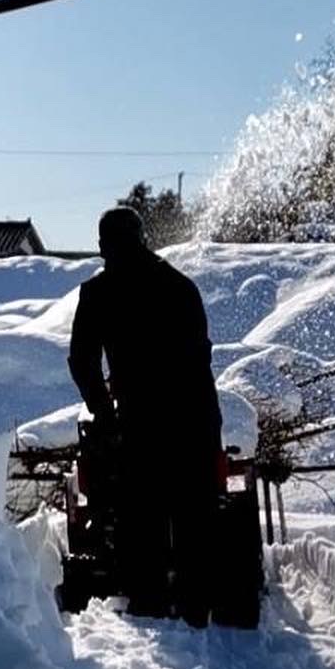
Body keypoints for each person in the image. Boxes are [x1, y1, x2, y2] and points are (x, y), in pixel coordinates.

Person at [67, 206, 223, 624]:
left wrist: (104, 414)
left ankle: (152, 605)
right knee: (194, 509)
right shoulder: (180, 286)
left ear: (103, 246)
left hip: (145, 419)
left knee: (142, 513)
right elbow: (200, 357)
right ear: (142, 237)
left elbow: (82, 362)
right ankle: (196, 606)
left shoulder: (99, 293)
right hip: (195, 414)